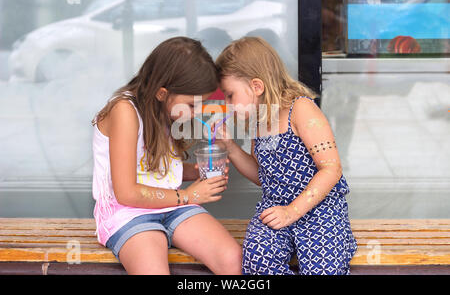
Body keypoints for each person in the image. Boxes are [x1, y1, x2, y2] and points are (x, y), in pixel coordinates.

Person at [91, 37, 242, 275]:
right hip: (128, 212)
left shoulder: (163, 111)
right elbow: (126, 192)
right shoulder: (125, 112)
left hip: (173, 207)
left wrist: (199, 171)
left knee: (232, 259)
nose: (197, 112)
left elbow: (157, 169)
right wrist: (188, 195)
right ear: (162, 93)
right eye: (192, 105)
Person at [214, 36, 357, 275]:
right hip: (276, 207)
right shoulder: (260, 121)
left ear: (257, 87)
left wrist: (293, 211)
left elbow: (331, 169)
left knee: (323, 270)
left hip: (318, 208)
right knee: (257, 261)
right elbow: (263, 176)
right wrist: (230, 148)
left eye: (230, 95)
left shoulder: (301, 109)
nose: (227, 104)